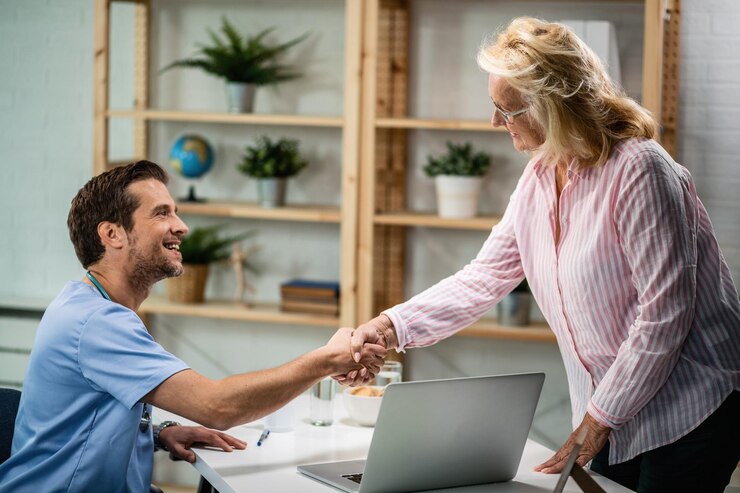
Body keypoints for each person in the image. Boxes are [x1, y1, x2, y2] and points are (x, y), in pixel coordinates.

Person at [340, 17, 740, 493]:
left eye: (507, 110)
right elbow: (484, 276)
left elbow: (664, 316)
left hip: (689, 405)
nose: (495, 122)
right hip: (612, 409)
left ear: (555, 108)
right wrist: (388, 327)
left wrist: (598, 420)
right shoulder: (540, 175)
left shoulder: (641, 170)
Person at [0, 161, 385, 492]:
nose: (181, 226)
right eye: (161, 213)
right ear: (112, 234)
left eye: (175, 212)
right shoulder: (96, 322)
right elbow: (217, 406)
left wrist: (156, 433)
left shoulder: (89, 305)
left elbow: (82, 418)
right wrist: (325, 360)